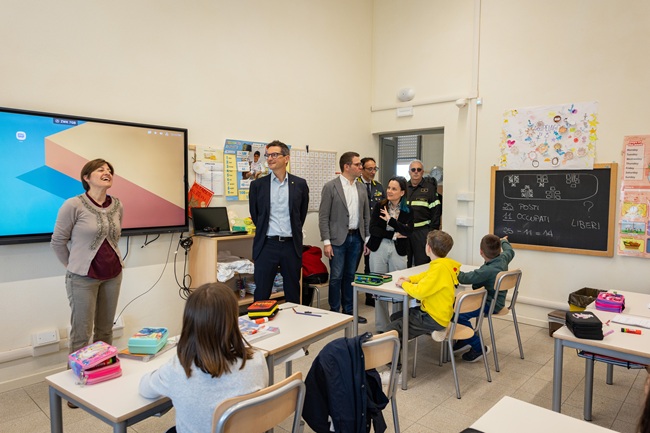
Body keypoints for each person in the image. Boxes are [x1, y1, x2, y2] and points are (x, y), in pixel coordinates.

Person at [139, 283, 268, 433]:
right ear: (233, 320)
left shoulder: (177, 368)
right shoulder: (257, 360)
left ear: (190, 322)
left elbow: (145, 389)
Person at [51, 159, 124, 409]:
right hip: (82, 278)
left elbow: (115, 237)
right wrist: (74, 266)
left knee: (105, 331)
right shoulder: (73, 204)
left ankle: (103, 376)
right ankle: (75, 388)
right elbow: (58, 241)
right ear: (86, 177)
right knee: (81, 333)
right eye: (101, 170)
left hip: (113, 274)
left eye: (109, 170)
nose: (107, 173)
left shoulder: (117, 205)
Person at [382, 230, 459, 381]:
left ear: (428, 248)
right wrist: (410, 279)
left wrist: (404, 284)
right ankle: (400, 344)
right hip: (439, 313)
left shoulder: (438, 269)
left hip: (433, 317)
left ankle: (395, 373)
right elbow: (426, 276)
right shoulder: (444, 265)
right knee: (396, 317)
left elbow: (419, 292)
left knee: (390, 330)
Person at [249, 140, 309, 304]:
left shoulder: (300, 184)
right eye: (268, 155)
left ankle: (294, 320)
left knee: (293, 293)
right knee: (262, 292)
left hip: (291, 245)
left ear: (286, 158)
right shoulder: (258, 185)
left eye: (274, 155)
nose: (270, 158)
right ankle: (261, 320)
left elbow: (300, 215)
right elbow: (256, 215)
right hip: (267, 245)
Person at [319, 151, 370, 323]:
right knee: (336, 276)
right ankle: (334, 312)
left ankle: (349, 311)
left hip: (357, 238)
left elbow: (366, 215)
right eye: (357, 164)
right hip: (337, 240)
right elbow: (323, 217)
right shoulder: (331, 187)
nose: (361, 167)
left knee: (350, 276)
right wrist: (327, 242)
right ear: (347, 166)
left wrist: (367, 238)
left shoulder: (361, 187)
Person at [453, 235, 515, 362]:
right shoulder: (503, 258)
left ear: (481, 252)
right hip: (497, 301)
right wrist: (504, 241)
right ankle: (465, 339)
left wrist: (450, 268)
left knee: (456, 314)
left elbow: (463, 278)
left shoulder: (486, 271)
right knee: (457, 307)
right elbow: (510, 251)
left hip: (489, 304)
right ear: (499, 250)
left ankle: (478, 347)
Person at [366, 176, 413, 332]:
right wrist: (393, 234)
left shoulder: (408, 210)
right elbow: (373, 229)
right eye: (388, 188)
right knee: (379, 287)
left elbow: (408, 231)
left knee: (399, 286)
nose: (389, 191)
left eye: (394, 189)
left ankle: (398, 324)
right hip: (379, 247)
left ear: (402, 192)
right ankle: (382, 326)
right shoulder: (379, 206)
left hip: (399, 250)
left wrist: (391, 220)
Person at [357, 157, 385, 307]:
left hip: (373, 231)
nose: (373, 172)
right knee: (353, 266)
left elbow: (384, 207)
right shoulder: (355, 184)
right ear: (361, 169)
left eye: (375, 169)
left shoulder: (378, 186)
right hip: (358, 230)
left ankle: (370, 296)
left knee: (370, 265)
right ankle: (349, 299)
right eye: (370, 169)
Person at [406, 159, 442, 267]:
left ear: (422, 172)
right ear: (409, 172)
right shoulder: (404, 188)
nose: (416, 172)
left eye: (419, 169)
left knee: (422, 263)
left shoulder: (430, 189)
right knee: (405, 262)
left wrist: (431, 233)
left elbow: (436, 213)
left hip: (422, 233)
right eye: (413, 170)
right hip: (405, 232)